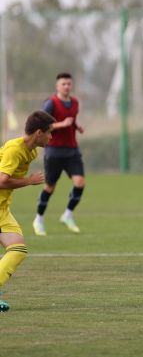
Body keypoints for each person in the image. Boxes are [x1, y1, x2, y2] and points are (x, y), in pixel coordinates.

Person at [0, 110, 55, 311]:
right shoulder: (15, 149)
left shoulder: (31, 151)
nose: (51, 137)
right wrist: (28, 181)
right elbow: (1, 181)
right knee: (16, 250)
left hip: (3, 208)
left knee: (18, 250)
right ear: (39, 133)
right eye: (50, 132)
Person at [33, 72, 86, 236]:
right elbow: (42, 124)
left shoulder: (75, 102)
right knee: (49, 187)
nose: (67, 86)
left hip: (72, 150)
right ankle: (39, 219)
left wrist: (76, 127)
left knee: (80, 182)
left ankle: (68, 215)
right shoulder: (51, 103)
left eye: (69, 84)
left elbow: (72, 119)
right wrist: (62, 124)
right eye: (63, 84)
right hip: (54, 151)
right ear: (57, 86)